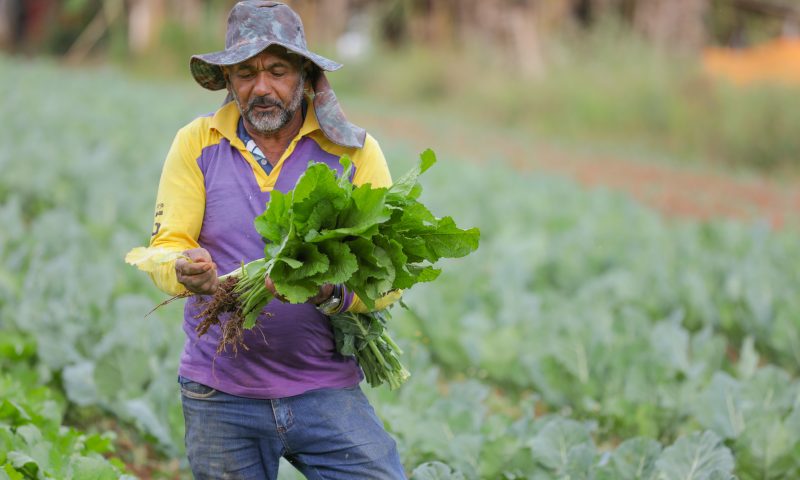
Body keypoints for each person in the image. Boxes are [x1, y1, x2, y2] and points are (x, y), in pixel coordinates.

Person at [146, 1, 406, 478]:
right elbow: (166, 245)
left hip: (323, 387)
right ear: (228, 80)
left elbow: (388, 277)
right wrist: (185, 271)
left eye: (277, 71)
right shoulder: (196, 142)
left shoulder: (352, 152)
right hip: (219, 392)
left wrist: (330, 292)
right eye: (245, 73)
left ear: (305, 75)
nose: (261, 87)